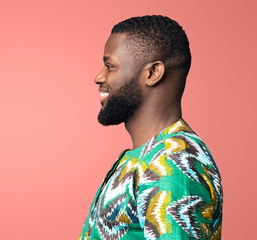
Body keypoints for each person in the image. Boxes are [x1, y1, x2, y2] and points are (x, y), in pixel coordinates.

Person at [78, 15, 222, 240]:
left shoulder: (174, 162)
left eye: (109, 66)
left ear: (153, 73)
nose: (99, 77)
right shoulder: (146, 156)